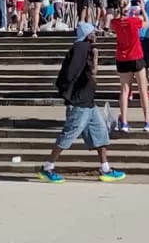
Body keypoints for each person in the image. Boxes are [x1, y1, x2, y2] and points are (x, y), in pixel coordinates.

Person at [39, 22, 125, 183]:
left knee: (100, 134)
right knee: (69, 135)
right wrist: (95, 57)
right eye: (93, 32)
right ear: (88, 34)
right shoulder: (82, 48)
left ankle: (105, 168)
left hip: (88, 102)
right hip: (79, 102)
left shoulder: (84, 48)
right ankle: (47, 167)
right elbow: (87, 72)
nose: (96, 34)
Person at [111, 0, 149, 132]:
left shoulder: (116, 22)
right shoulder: (134, 21)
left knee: (124, 90)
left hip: (122, 58)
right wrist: (143, 9)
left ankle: (125, 122)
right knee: (143, 90)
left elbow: (110, 24)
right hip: (136, 56)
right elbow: (147, 23)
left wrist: (117, 14)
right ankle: (147, 121)